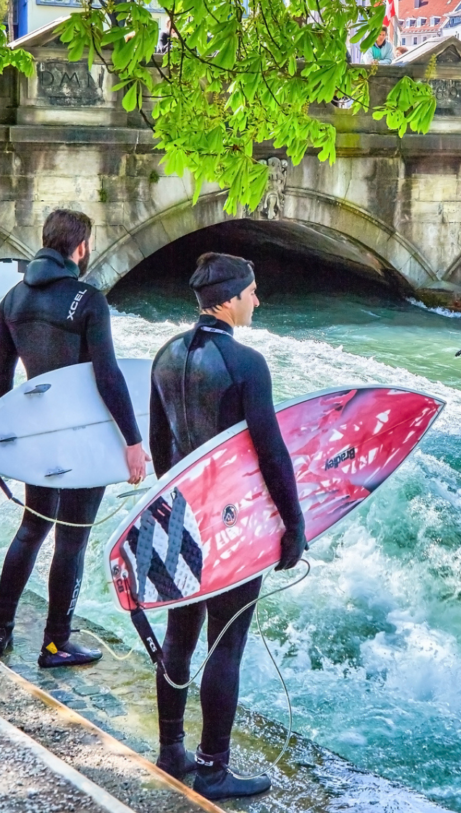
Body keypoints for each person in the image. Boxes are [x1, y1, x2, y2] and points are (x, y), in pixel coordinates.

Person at [149, 253, 306, 799]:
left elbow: (159, 447)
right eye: (253, 292)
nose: (257, 301)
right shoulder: (246, 363)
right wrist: (294, 525)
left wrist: (174, 515)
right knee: (226, 645)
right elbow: (272, 455)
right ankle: (214, 769)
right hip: (231, 524)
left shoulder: (164, 355)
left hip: (178, 517)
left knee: (180, 635)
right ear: (232, 297)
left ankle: (172, 749)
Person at [0, 209, 147, 667]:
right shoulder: (87, 299)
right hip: (81, 437)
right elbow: (108, 377)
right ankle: (56, 643)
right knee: (71, 540)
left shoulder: (13, 300)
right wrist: (132, 441)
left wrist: (2, 442)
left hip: (38, 434)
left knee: (32, 529)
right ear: (80, 248)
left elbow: (0, 381)